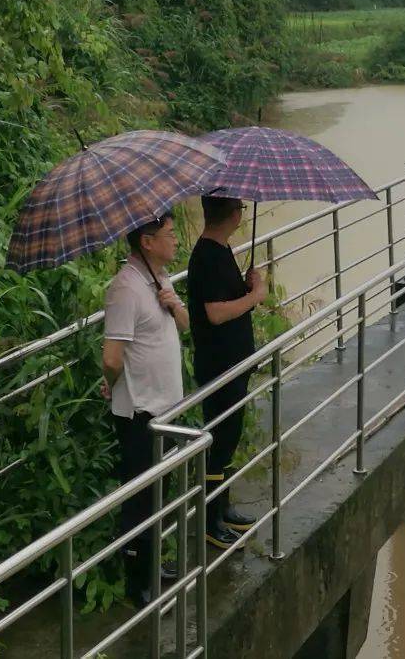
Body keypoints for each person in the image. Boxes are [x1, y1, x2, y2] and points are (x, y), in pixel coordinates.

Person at [101, 213, 188, 607]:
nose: (176, 241)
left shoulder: (160, 279)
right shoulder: (125, 289)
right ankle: (138, 584)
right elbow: (112, 357)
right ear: (147, 242)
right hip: (141, 414)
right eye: (169, 235)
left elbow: (184, 326)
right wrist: (114, 381)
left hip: (167, 407)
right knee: (140, 499)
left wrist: (174, 305)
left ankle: (154, 562)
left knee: (160, 494)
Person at [186, 196, 268, 549]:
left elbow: (224, 300)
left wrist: (247, 286)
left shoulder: (219, 252)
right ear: (234, 214)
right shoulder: (208, 256)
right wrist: (257, 295)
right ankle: (209, 521)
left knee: (228, 435)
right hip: (219, 365)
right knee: (219, 439)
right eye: (241, 209)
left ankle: (222, 506)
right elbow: (216, 313)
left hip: (231, 363)